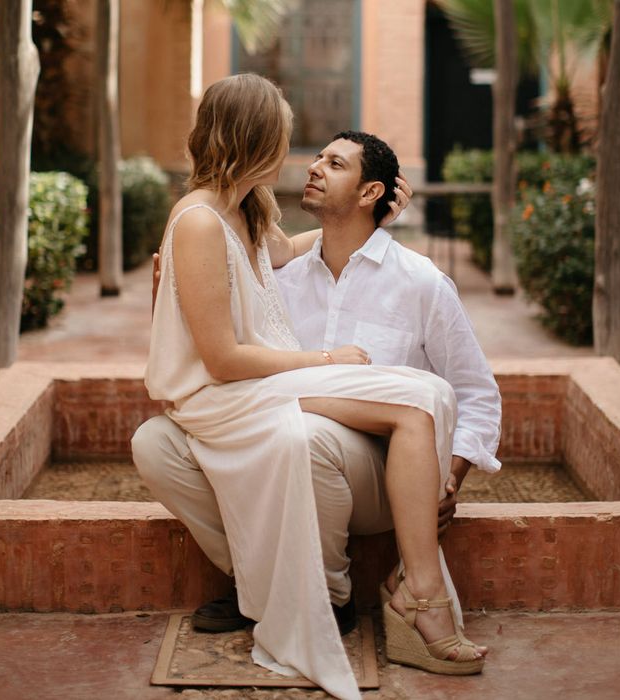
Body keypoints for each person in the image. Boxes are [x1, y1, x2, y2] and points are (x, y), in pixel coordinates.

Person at [135, 73, 487, 699]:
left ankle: (412, 590)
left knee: (427, 397)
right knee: (413, 402)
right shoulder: (196, 221)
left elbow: (290, 248)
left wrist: (374, 215)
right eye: (291, 137)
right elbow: (218, 358)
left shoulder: (245, 210)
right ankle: (420, 599)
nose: (304, 156)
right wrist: (322, 359)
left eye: (331, 159)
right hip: (222, 392)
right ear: (259, 137)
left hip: (272, 397)